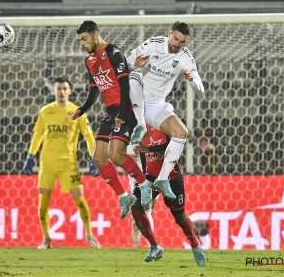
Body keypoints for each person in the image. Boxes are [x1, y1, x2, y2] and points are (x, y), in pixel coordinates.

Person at [72, 20, 153, 219]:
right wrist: (82, 109)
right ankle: (125, 196)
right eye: (80, 41)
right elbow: (94, 90)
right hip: (110, 111)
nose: (82, 44)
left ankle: (144, 185)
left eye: (84, 39)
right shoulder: (89, 61)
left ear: (95, 35)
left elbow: (124, 86)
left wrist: (122, 114)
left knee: (115, 154)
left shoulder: (114, 52)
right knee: (99, 158)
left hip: (125, 110)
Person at [126, 21, 205, 206]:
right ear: (169, 33)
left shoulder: (185, 57)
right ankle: (135, 191)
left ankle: (162, 180)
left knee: (181, 132)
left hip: (155, 105)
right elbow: (125, 65)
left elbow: (201, 90)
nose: (177, 44)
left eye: (182, 42)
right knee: (132, 152)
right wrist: (135, 65)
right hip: (135, 101)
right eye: (175, 38)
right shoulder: (153, 44)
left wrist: (192, 80)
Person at [23, 77, 101, 249]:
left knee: (80, 200)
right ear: (54, 91)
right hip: (47, 164)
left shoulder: (78, 112)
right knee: (43, 202)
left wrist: (92, 157)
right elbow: (38, 135)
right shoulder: (46, 111)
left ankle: (90, 236)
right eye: (59, 89)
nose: (62, 92)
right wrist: (30, 156)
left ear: (70, 91)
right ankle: (46, 239)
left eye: (65, 88)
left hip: (69, 164)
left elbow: (88, 135)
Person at [131, 125, 206, 266]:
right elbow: (143, 156)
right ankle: (154, 246)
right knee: (135, 204)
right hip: (151, 176)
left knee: (180, 217)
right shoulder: (140, 128)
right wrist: (143, 181)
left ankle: (195, 245)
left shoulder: (164, 124)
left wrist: (149, 149)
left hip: (171, 177)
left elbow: (172, 148)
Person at [126, 144, 157, 248]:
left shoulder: (156, 130)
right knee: (147, 208)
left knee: (150, 209)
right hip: (138, 169)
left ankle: (136, 221)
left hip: (155, 166)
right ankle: (152, 246)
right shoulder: (132, 131)